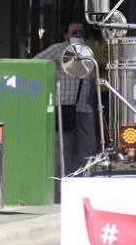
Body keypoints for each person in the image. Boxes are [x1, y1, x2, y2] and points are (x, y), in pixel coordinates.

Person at [35, 22, 97, 176]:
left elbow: (93, 79)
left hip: (84, 108)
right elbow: (36, 62)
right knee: (63, 148)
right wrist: (51, 77)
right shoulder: (58, 49)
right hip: (64, 107)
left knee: (88, 148)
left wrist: (92, 101)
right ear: (66, 35)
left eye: (81, 32)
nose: (78, 35)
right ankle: (62, 183)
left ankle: (87, 181)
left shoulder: (88, 51)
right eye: (74, 32)